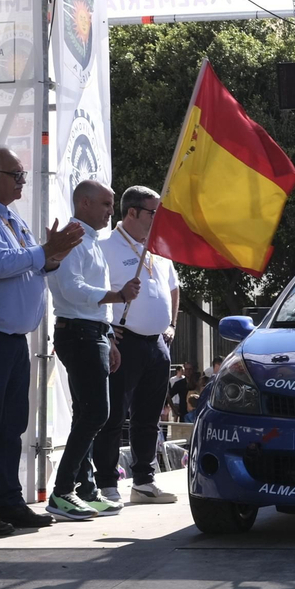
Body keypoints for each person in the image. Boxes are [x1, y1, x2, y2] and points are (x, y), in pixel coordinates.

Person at [0, 146, 82, 539]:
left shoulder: (10, 215)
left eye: (23, 175)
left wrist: (53, 255)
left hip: (16, 339)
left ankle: (10, 501)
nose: (22, 181)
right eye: (16, 175)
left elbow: (30, 261)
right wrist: (42, 252)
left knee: (12, 426)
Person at [47, 179, 140, 520]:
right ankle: (63, 492)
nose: (109, 212)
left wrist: (110, 336)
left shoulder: (90, 240)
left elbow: (86, 294)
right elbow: (72, 289)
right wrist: (118, 296)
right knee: (95, 413)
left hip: (91, 331)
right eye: (105, 204)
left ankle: (85, 488)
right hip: (79, 332)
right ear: (84, 203)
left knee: (87, 412)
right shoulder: (74, 238)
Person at [97, 185, 181, 505]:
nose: (158, 218)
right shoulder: (106, 246)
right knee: (114, 415)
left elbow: (173, 288)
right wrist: (106, 329)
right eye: (153, 212)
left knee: (149, 417)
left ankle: (144, 481)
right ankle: (106, 482)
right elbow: (92, 292)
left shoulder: (157, 248)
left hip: (156, 343)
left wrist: (171, 325)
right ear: (131, 212)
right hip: (124, 342)